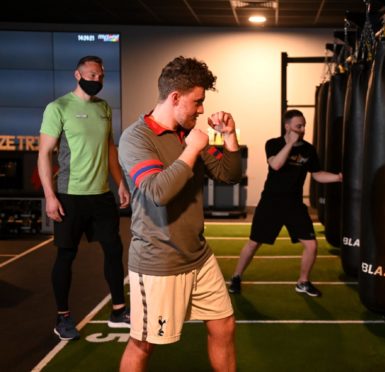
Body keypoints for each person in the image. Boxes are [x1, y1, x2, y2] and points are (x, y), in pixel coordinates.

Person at [117, 56, 241, 372]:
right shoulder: (136, 138)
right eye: (197, 102)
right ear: (175, 98)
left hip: (198, 255)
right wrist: (191, 151)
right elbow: (158, 192)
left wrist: (228, 136)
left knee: (224, 325)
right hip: (159, 260)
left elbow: (229, 174)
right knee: (143, 344)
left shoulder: (189, 134)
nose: (201, 109)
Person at [38, 55, 131, 341]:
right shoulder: (59, 107)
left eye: (101, 76)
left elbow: (110, 148)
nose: (97, 80)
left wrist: (121, 183)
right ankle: (62, 317)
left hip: (101, 195)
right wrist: (50, 197)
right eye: (92, 75)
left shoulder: (104, 108)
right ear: (77, 75)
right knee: (66, 255)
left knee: (114, 250)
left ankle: (118, 311)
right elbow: (43, 154)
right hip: (70, 195)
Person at [229, 109, 342, 297]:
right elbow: (276, 165)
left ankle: (303, 282)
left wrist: (338, 177)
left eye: (304, 125)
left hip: (294, 205)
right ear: (287, 126)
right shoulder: (273, 144)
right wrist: (289, 144)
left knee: (311, 245)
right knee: (253, 243)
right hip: (271, 202)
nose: (302, 129)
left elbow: (317, 174)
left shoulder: (308, 149)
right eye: (298, 126)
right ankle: (236, 277)